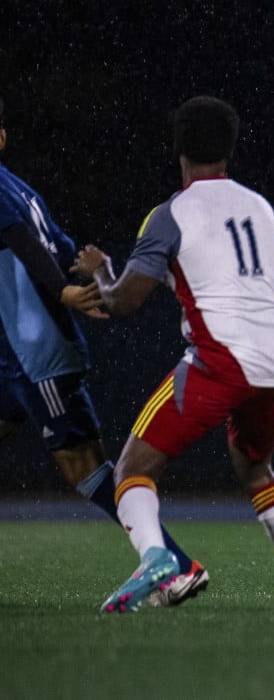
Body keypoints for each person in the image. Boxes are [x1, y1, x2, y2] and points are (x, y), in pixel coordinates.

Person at [72, 95, 274, 613]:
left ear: (178, 149)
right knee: (257, 471)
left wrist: (100, 271)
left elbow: (125, 300)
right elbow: (262, 286)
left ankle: (155, 558)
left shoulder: (172, 214)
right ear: (230, 150)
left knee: (131, 470)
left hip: (221, 359)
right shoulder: (262, 208)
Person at [0, 97, 207, 607]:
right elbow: (58, 241)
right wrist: (81, 279)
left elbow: (22, 241)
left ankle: (176, 566)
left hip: (36, 354)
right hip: (14, 355)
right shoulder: (19, 188)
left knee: (85, 468)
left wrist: (65, 291)